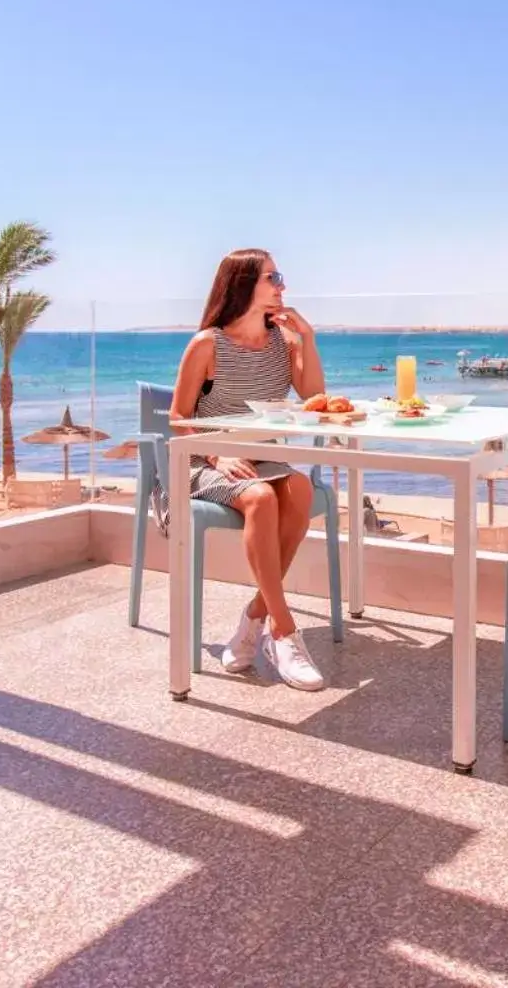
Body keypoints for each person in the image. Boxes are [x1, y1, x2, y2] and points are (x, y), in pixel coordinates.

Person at [170, 248, 327, 689]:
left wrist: (307, 340)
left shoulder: (282, 341)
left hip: (263, 457)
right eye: (272, 278)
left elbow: (314, 398)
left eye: (281, 277)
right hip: (204, 459)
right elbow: (178, 418)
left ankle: (254, 619)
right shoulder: (207, 344)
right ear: (243, 284)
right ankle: (284, 631)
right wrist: (218, 454)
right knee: (259, 497)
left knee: (299, 491)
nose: (282, 286)